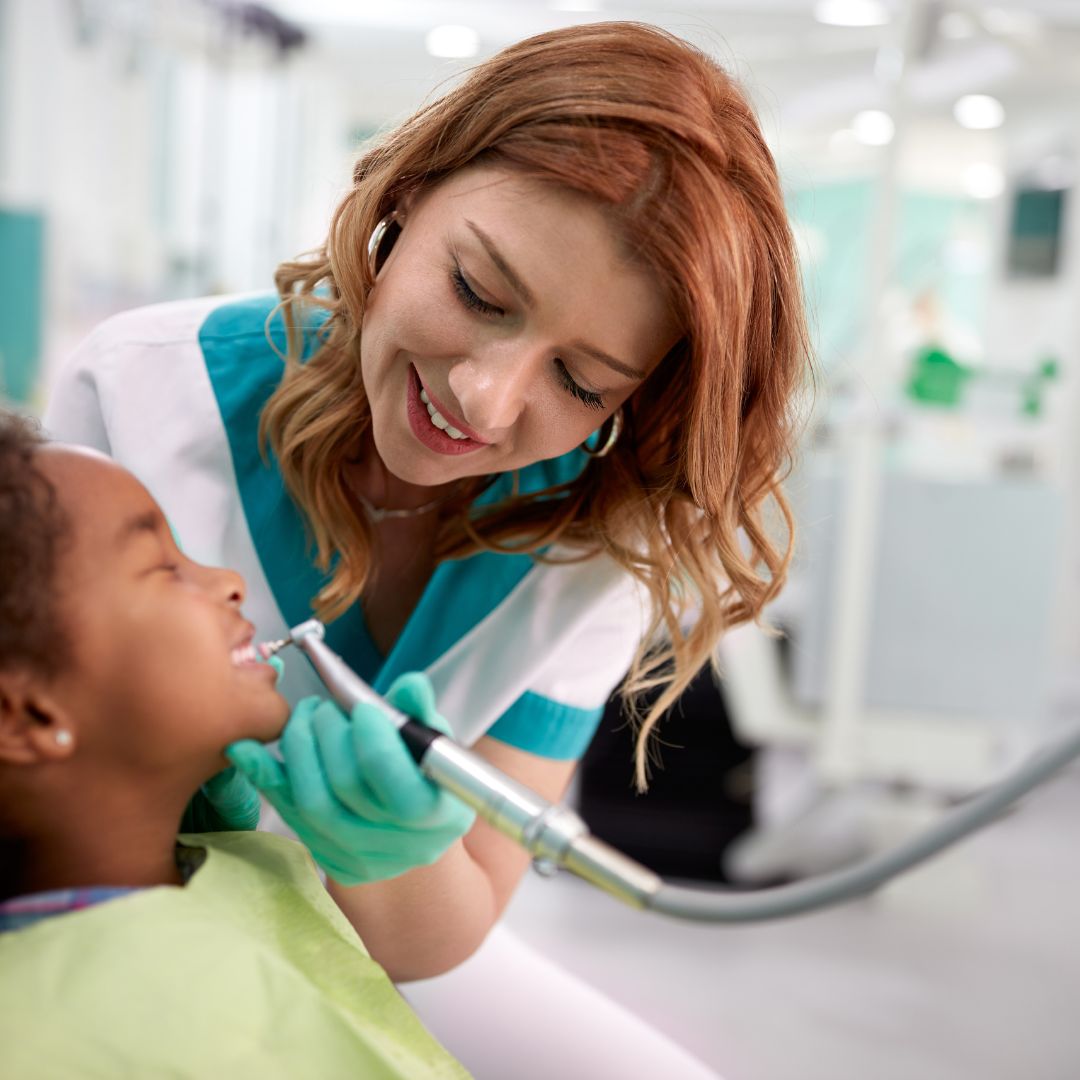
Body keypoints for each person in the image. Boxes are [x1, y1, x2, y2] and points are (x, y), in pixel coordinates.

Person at [44, 20, 808, 1076]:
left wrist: (389, 855)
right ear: (405, 196)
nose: (485, 401)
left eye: (581, 384)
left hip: (377, 937)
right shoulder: (140, 392)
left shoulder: (594, 550)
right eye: (478, 294)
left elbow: (456, 922)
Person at [0, 412, 469, 1078]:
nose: (228, 579)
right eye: (163, 568)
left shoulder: (260, 868)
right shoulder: (39, 1035)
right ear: (27, 714)